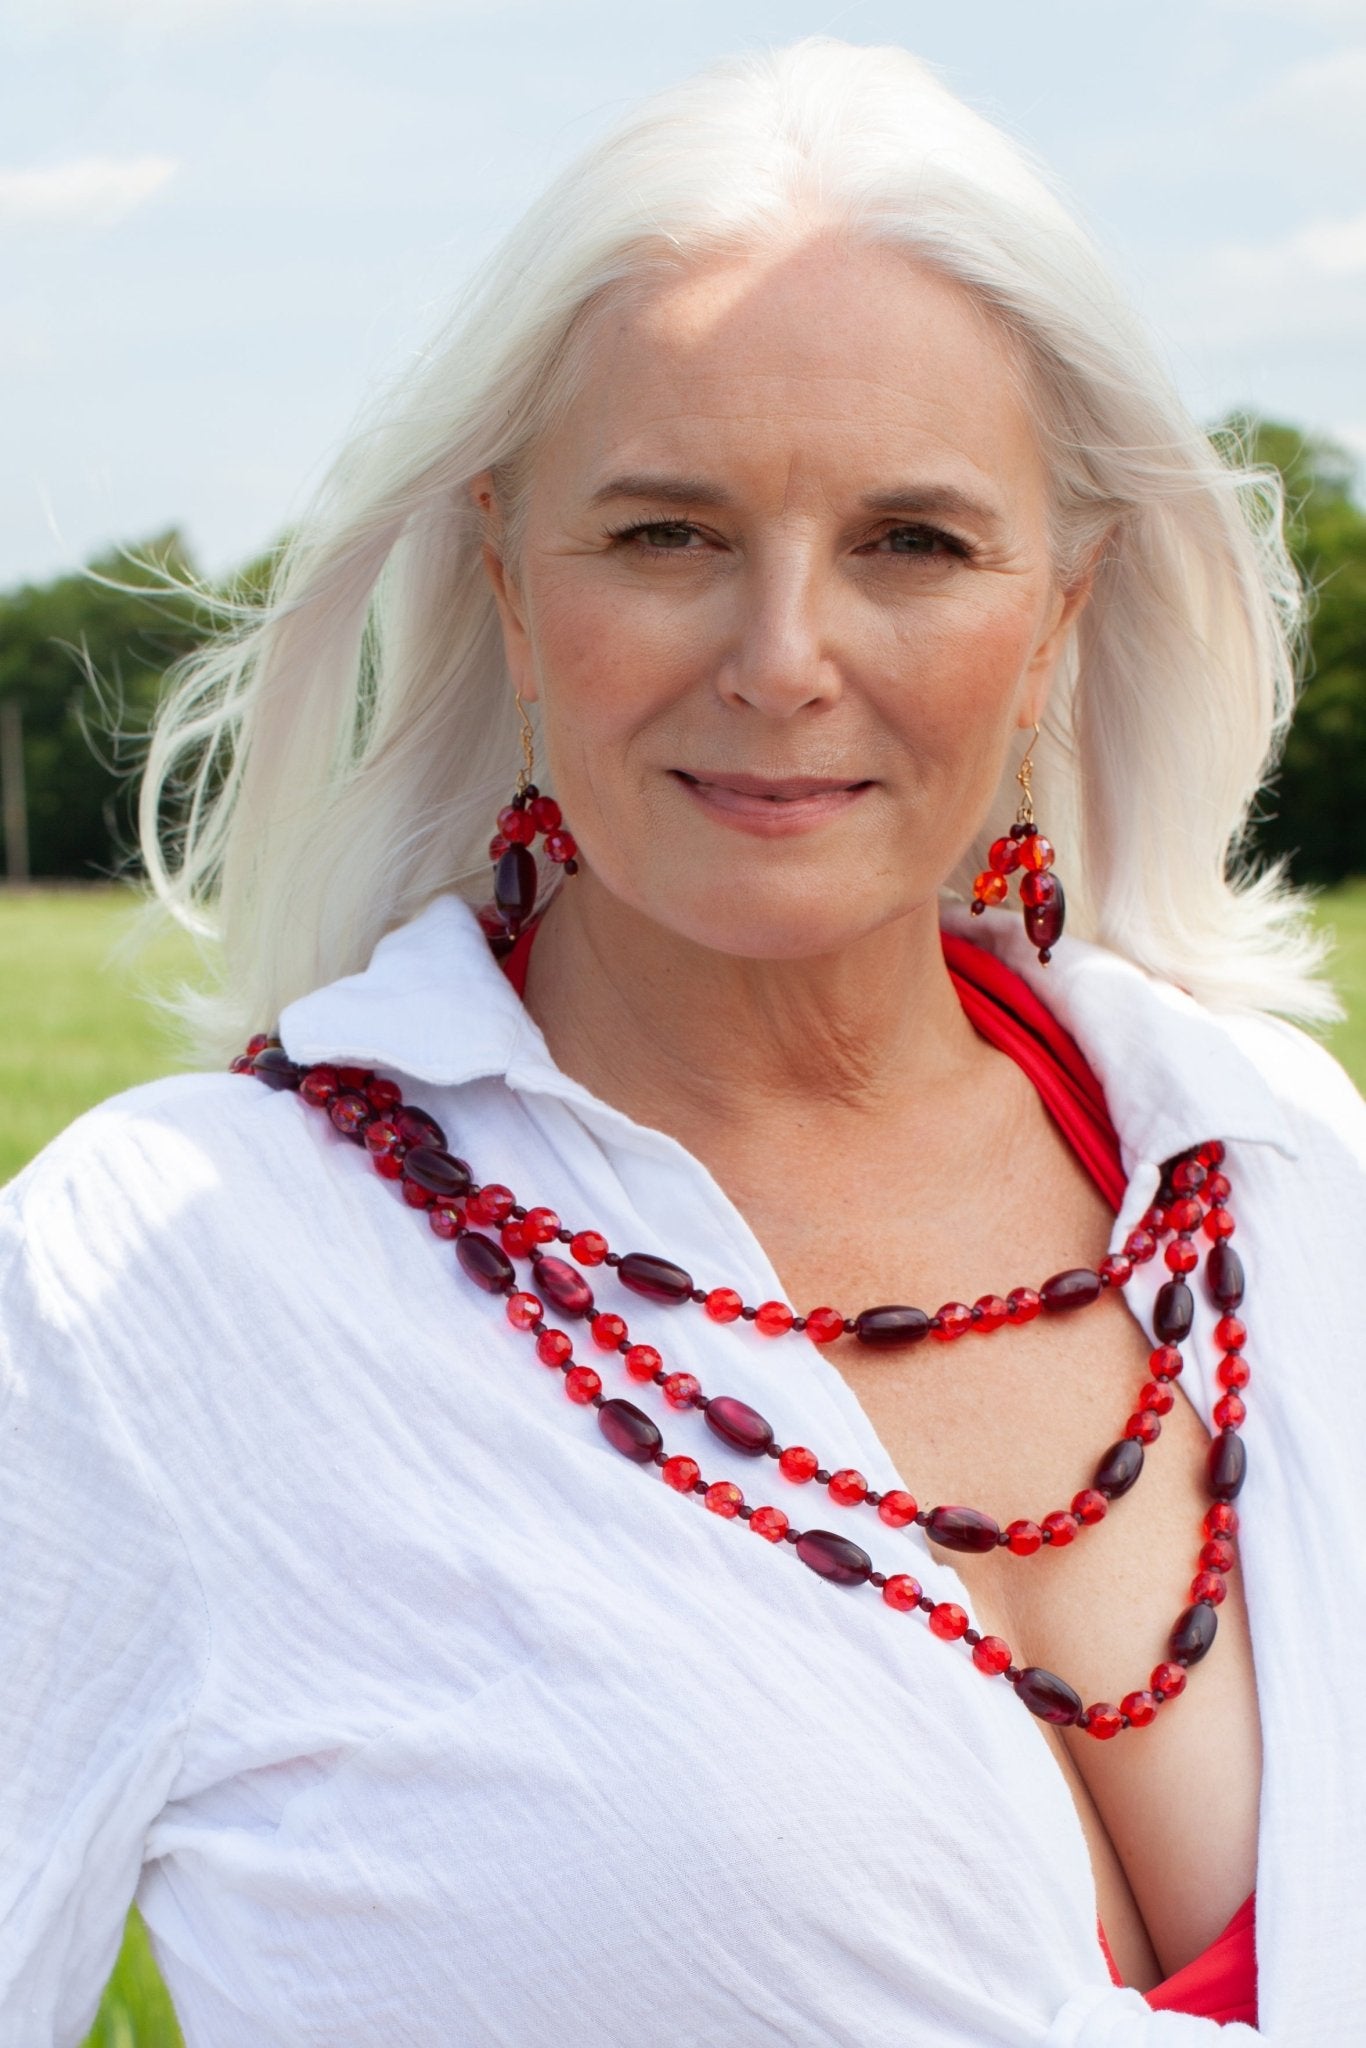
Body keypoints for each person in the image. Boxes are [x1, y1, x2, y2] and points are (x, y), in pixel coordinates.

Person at [2, 35, 1363, 2048]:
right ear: (506, 581)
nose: (782, 657)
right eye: (664, 534)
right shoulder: (152, 1291)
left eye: (911, 541)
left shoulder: (1264, 1154)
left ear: (1055, 612)